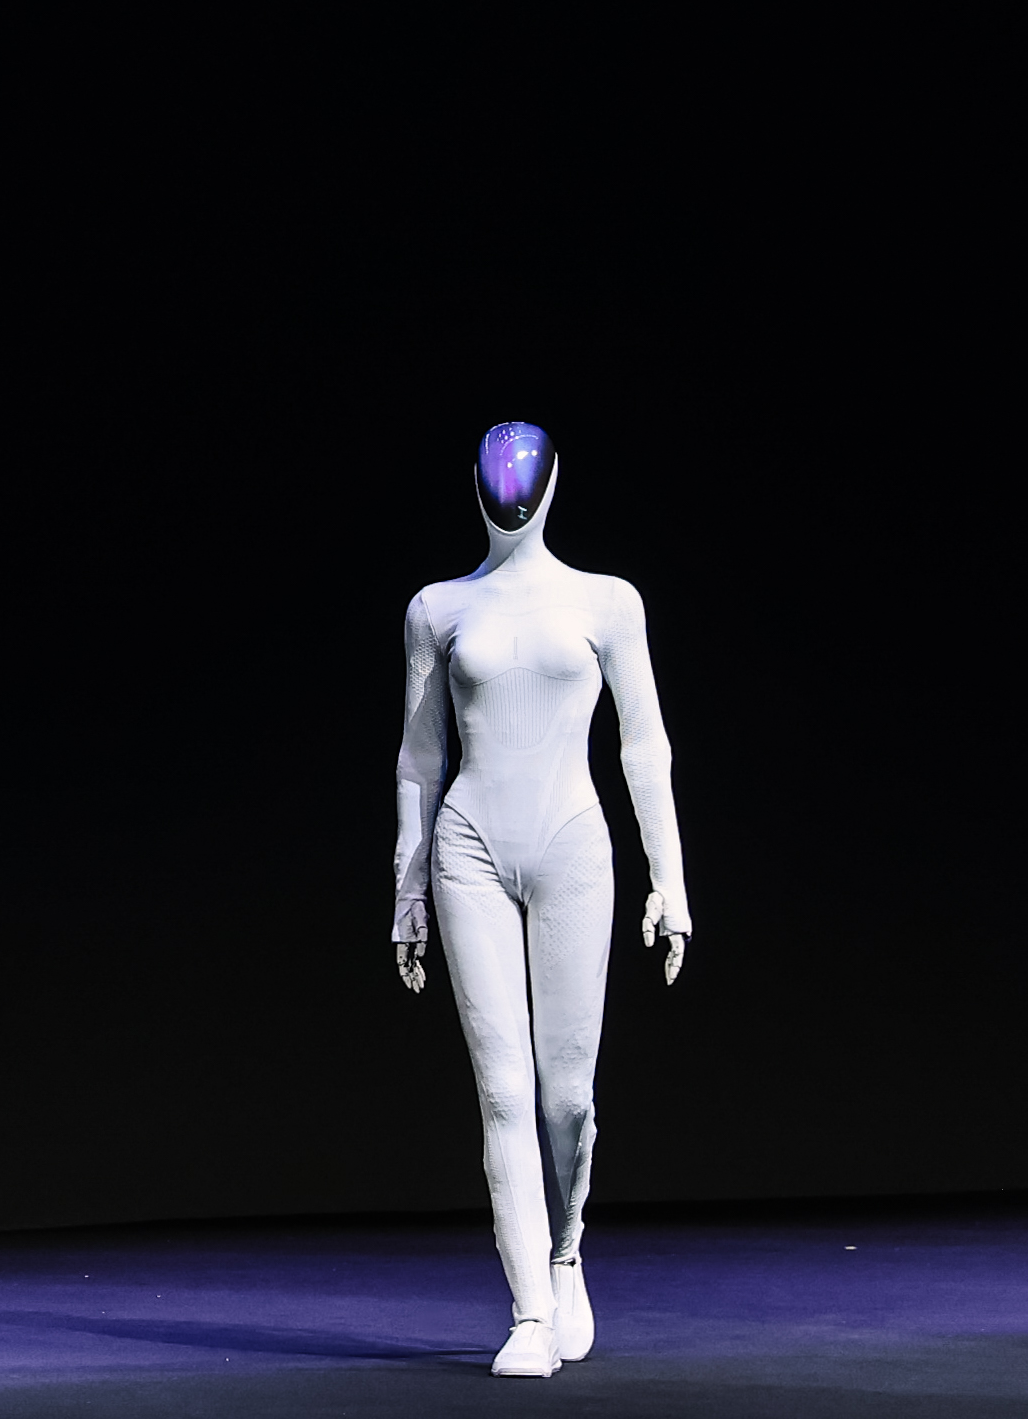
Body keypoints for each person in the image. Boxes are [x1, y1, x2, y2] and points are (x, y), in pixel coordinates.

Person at [391, 421, 691, 1377]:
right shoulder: (438, 609)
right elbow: (421, 756)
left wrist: (670, 877)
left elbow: (644, 742)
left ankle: (567, 1253)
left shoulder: (607, 602)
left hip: (571, 847)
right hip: (470, 846)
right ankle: (527, 1312)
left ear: (554, 486)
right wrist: (406, 887)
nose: (510, 495)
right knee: (501, 1092)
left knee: (566, 1097)